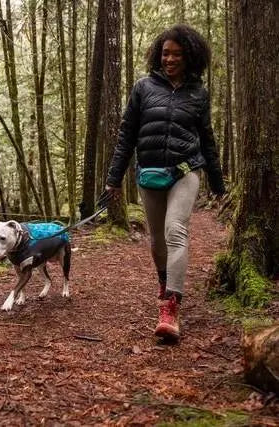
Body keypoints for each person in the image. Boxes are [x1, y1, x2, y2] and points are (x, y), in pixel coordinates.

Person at [105, 24, 225, 341]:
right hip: (149, 173)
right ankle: (164, 281)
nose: (169, 59)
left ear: (189, 57)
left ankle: (170, 306)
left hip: (185, 170)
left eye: (177, 54)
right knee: (157, 239)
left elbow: (208, 140)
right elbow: (126, 135)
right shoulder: (143, 88)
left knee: (176, 230)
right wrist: (113, 180)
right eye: (165, 53)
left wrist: (218, 182)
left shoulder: (198, 93)